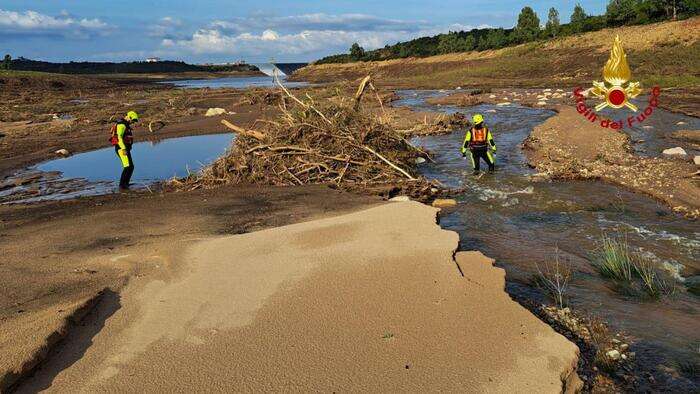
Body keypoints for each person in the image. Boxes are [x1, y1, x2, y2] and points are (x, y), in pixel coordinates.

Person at [110, 111, 138, 190]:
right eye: (133, 120)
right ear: (129, 117)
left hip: (124, 149)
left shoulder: (125, 124)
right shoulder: (122, 125)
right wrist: (123, 149)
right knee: (127, 166)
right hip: (121, 149)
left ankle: (126, 184)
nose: (133, 122)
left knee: (131, 166)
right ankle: (122, 185)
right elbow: (119, 138)